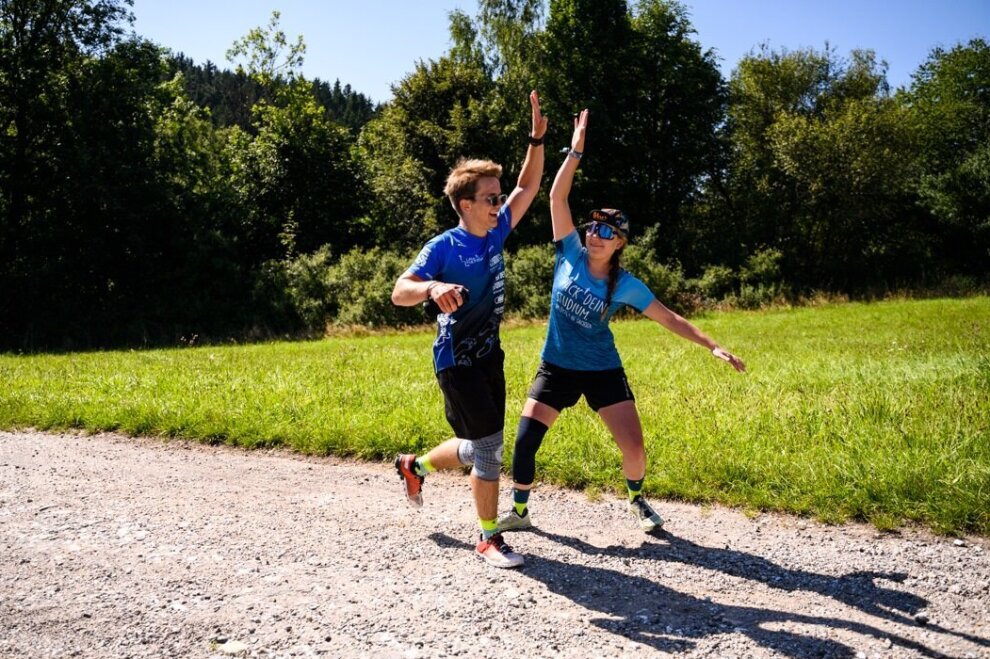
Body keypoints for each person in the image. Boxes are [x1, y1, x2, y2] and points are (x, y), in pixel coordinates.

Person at [497, 109, 746, 535]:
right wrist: (575, 150)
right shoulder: (569, 252)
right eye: (593, 227)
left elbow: (669, 317)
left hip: (602, 370)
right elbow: (557, 197)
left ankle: (636, 498)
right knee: (524, 439)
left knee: (633, 446)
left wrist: (711, 345)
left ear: (620, 243)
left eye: (606, 232)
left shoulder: (626, 284)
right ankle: (520, 511)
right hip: (555, 366)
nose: (595, 234)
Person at [390, 91, 548, 568]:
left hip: (489, 355)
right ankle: (487, 538)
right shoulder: (444, 245)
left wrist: (537, 137)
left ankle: (412, 465)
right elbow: (400, 291)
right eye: (491, 198)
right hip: (456, 359)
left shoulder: (496, 231)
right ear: (465, 204)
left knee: (481, 444)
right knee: (489, 449)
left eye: (500, 197)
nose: (500, 203)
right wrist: (432, 287)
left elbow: (529, 186)